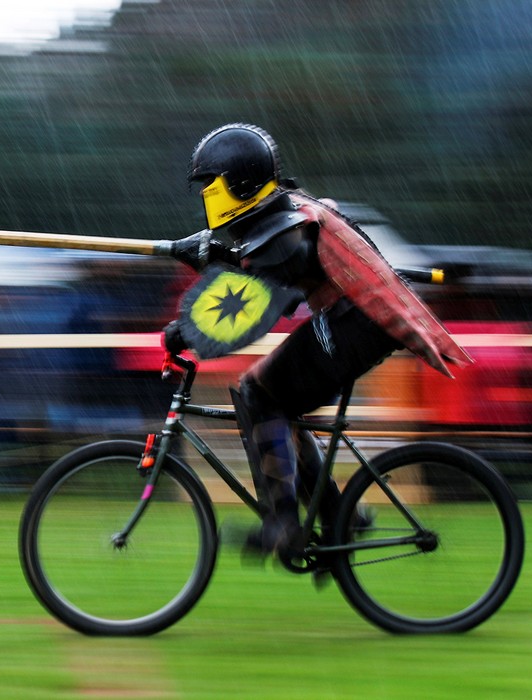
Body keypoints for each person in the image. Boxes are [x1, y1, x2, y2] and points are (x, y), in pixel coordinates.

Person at [163, 124, 471, 557]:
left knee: (258, 394)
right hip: (354, 319)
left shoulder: (288, 226)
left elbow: (256, 295)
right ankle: (339, 514)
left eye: (211, 182)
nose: (206, 193)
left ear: (240, 180)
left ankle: (283, 525)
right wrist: (213, 251)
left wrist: (185, 331)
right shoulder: (282, 210)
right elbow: (256, 257)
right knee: (274, 399)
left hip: (357, 322)